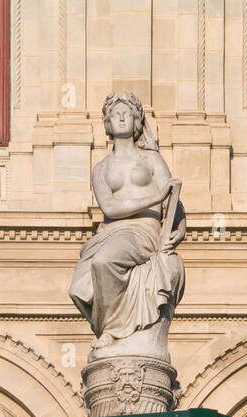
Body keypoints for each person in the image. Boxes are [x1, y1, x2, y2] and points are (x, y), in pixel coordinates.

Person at [69, 91, 185, 349]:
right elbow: (110, 207)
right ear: (107, 124)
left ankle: (112, 329)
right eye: (115, 114)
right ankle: (108, 323)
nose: (121, 118)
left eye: (127, 114)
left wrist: (181, 226)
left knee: (104, 261)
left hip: (143, 230)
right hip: (111, 231)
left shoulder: (152, 158)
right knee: (78, 289)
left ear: (137, 121)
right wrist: (155, 196)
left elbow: (172, 198)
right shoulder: (100, 168)